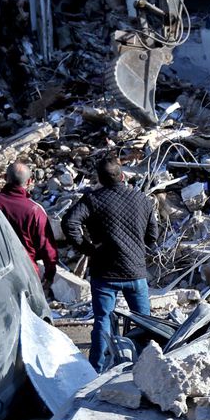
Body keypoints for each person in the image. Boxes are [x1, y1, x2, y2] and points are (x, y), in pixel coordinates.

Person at [64, 156, 159, 369]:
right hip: (135, 271)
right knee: (144, 321)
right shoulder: (141, 199)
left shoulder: (92, 199)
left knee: (103, 320)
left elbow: (69, 222)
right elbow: (153, 235)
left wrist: (88, 249)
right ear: (122, 176)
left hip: (104, 273)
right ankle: (149, 367)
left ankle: (96, 369)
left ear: (99, 179)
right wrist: (138, 247)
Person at [0, 161, 57, 293]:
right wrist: (49, 275)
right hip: (26, 272)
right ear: (29, 181)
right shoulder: (34, 211)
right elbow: (47, 247)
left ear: (5, 177)